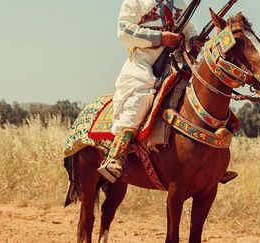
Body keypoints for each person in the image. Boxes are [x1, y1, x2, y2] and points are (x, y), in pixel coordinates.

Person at [98, 0, 237, 184]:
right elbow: (123, 30)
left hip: (177, 65)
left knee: (206, 100)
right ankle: (116, 156)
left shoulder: (178, 2)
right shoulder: (135, 1)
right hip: (144, 64)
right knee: (138, 101)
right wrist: (161, 38)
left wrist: (193, 40)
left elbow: (188, 29)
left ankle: (214, 166)